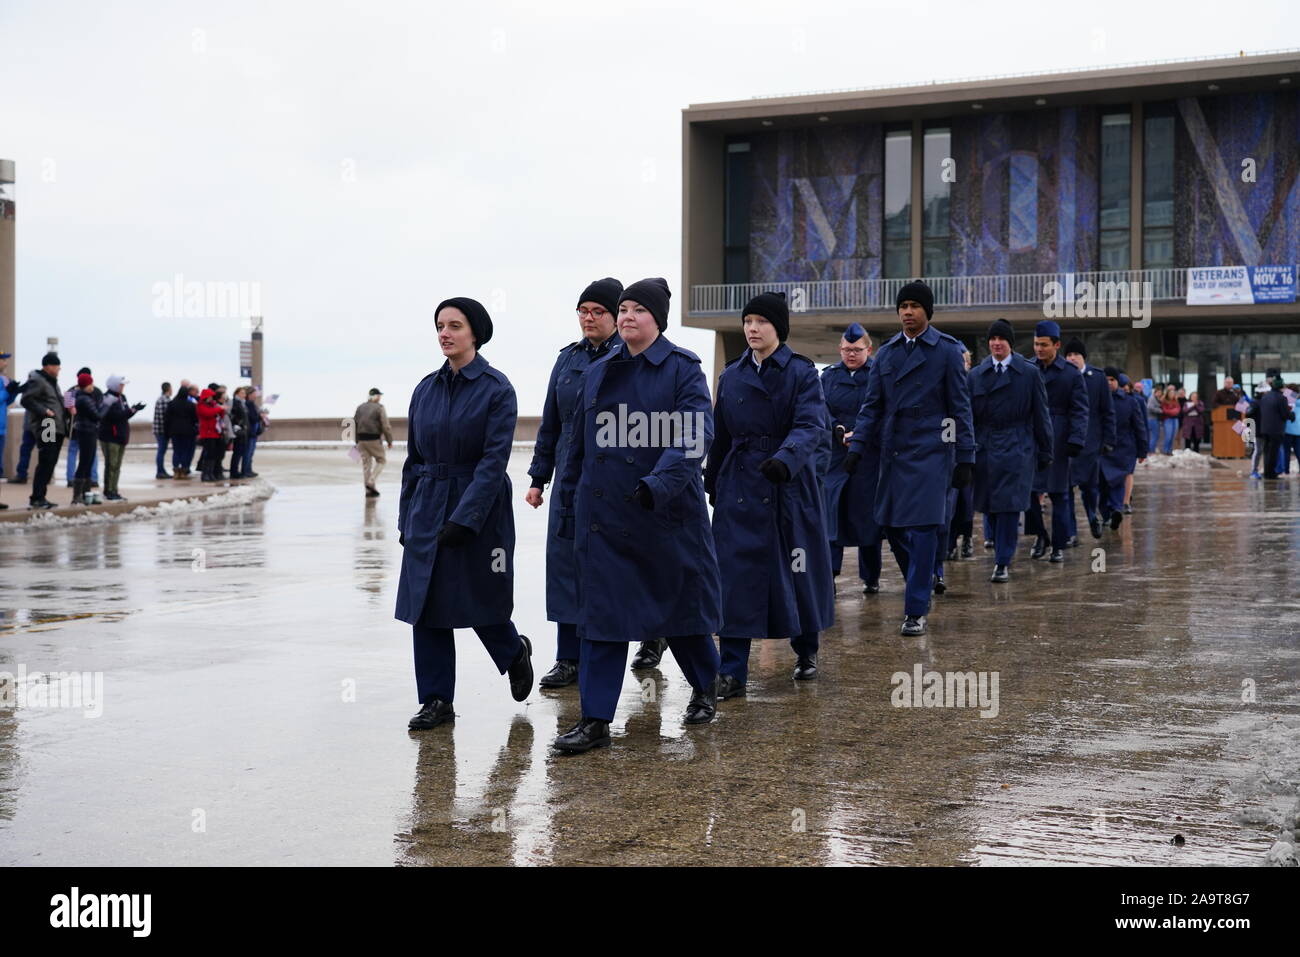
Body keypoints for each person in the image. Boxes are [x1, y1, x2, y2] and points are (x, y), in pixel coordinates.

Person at [552, 277, 722, 752]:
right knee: (601, 617)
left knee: (678, 611)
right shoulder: (599, 369)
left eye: (636, 310)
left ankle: (705, 688)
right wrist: (568, 502)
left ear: (657, 320)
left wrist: (658, 485)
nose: (626, 317)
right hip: (604, 513)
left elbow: (692, 436)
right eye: (622, 310)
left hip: (663, 512)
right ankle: (595, 718)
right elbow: (579, 447)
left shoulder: (682, 368)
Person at [396, 296, 533, 731]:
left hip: (479, 505)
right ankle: (436, 700)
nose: (445, 333)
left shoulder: (496, 389)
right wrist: (406, 518)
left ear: (475, 333)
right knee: (428, 604)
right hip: (427, 504)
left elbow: (494, 463)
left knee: (478, 597)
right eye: (440, 325)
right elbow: (412, 460)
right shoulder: (425, 388)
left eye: (455, 325)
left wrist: (466, 517)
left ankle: (513, 652)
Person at [705, 291, 833, 698]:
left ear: (778, 328)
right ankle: (732, 670)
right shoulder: (732, 375)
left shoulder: (801, 373)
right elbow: (721, 433)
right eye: (747, 321)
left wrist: (785, 459)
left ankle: (806, 648)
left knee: (798, 571)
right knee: (735, 578)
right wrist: (712, 481)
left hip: (788, 485)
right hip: (739, 484)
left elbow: (812, 426)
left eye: (761, 321)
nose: (752, 328)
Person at [844, 280, 974, 636]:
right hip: (894, 451)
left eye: (915, 306)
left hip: (932, 451)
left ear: (926, 312)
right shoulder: (886, 354)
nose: (907, 312)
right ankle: (926, 573)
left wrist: (965, 456)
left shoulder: (946, 351)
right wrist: (857, 449)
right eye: (903, 306)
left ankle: (915, 608)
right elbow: (872, 407)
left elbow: (961, 408)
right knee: (891, 525)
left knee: (924, 528)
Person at [526, 277, 623, 689]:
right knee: (565, 565)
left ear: (616, 316)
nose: (588, 318)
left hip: (612, 475)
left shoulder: (628, 357)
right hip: (568, 473)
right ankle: (568, 657)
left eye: (597, 311)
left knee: (610, 567)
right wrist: (538, 477)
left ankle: (646, 637)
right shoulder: (567, 360)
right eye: (583, 311)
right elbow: (551, 423)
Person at [968, 319, 1052, 582]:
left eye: (1001, 339)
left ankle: (1002, 561)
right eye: (992, 339)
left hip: (1017, 446)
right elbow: (967, 416)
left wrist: (1045, 450)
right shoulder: (976, 375)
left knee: (1008, 507)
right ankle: (997, 547)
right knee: (989, 506)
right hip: (984, 447)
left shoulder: (1028, 373)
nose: (996, 344)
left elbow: (1041, 415)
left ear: (1010, 344)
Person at [820, 323, 884, 594]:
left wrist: (861, 434)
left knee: (867, 521)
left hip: (867, 459)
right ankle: (830, 577)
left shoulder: (877, 375)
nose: (851, 355)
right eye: (846, 350)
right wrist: (837, 429)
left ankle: (871, 577)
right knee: (832, 516)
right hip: (836, 458)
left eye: (856, 350)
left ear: (868, 350)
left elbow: (882, 410)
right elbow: (820, 407)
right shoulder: (828, 377)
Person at [1024, 321, 1088, 563]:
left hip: (1059, 440)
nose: (1039, 349)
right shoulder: (1027, 368)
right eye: (1036, 344)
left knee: (1059, 495)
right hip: (1031, 438)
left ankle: (1059, 544)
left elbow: (1080, 410)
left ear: (1056, 345)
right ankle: (1040, 535)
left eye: (1044, 345)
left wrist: (1076, 439)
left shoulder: (1070, 374)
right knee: (1029, 494)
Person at [1062, 339, 1115, 542]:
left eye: (1076, 354)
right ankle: (1071, 532)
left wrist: (1109, 440)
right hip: (1066, 443)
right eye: (1068, 355)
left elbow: (1107, 411)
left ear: (1083, 357)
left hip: (1091, 443)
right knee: (1065, 489)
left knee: (1090, 487)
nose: (1072, 358)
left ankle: (1092, 515)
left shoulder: (1097, 377)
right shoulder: (1062, 376)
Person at [1098, 367, 1147, 530]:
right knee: (1103, 483)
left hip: (1124, 447)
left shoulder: (1130, 401)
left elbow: (1139, 426)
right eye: (1106, 380)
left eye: (1112, 379)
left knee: (1118, 480)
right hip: (1102, 448)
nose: (1109, 383)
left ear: (1118, 382)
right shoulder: (1095, 400)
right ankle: (1107, 514)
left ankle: (1116, 509)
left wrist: (1142, 450)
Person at [20, 352, 67, 509]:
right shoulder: (38, 380)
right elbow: (26, 399)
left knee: (51, 461)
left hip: (56, 426)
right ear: (48, 366)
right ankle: (37, 497)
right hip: (47, 424)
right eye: (57, 365)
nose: (59, 368)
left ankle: (41, 496)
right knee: (46, 460)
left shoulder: (51, 381)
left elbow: (56, 402)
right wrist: (44, 411)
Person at [98, 374, 145, 501]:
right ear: (114, 385)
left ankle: (114, 490)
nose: (123, 387)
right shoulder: (107, 398)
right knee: (111, 464)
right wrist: (132, 410)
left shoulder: (122, 397)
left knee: (117, 466)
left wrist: (134, 410)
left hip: (121, 435)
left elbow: (125, 415)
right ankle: (109, 491)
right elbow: (115, 416)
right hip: (110, 436)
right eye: (121, 384)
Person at [351, 387, 393, 496]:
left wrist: (357, 441)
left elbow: (354, 425)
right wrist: (389, 441)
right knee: (382, 460)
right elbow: (386, 426)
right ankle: (371, 481)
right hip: (373, 439)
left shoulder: (359, 408)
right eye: (379, 396)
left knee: (366, 465)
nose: (380, 398)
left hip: (361, 440)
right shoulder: (379, 408)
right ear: (375, 397)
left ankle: (369, 491)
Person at [64, 366, 101, 489]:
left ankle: (70, 478)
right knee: (92, 454)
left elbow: (67, 410)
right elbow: (99, 409)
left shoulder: (70, 391)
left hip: (74, 427)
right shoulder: (97, 391)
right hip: (90, 428)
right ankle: (93, 478)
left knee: (72, 452)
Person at [1258, 376, 1295, 480]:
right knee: (1273, 452)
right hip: (1276, 429)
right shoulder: (1281, 398)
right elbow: (1285, 414)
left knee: (1267, 452)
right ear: (1281, 386)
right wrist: (1291, 415)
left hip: (1265, 428)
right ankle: (1271, 474)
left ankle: (1267, 472)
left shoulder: (1265, 397)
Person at [0, 350, 21, 496]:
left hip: (1, 428)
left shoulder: (2, 379)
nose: (6, 363)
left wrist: (14, 392)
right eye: (3, 359)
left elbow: (6, 401)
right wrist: (8, 392)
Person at [166, 383, 198, 478]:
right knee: (185, 451)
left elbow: (167, 418)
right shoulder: (190, 405)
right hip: (187, 431)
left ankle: (176, 470)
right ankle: (184, 470)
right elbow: (195, 419)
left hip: (175, 431)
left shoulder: (172, 404)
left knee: (176, 451)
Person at [196, 388, 223, 481]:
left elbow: (221, 414)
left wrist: (220, 408)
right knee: (208, 454)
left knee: (213, 454)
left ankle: (211, 473)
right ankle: (205, 474)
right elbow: (207, 413)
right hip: (207, 433)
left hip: (215, 432)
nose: (212, 398)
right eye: (210, 397)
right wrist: (219, 408)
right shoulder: (201, 406)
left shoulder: (213, 405)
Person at [229, 386, 250, 479]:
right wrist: (237, 425)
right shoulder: (235, 402)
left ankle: (236, 471)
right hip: (238, 430)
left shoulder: (243, 403)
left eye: (244, 393)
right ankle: (234, 472)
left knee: (241, 452)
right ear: (237, 393)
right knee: (237, 452)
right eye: (242, 393)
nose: (244, 395)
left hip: (243, 430)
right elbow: (233, 415)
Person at [153, 382, 173, 478]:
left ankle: (161, 470)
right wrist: (168, 430)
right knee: (161, 451)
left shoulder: (161, 399)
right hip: (161, 431)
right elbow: (163, 417)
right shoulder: (164, 400)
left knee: (161, 451)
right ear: (168, 389)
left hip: (159, 430)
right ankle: (160, 471)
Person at [242, 387, 263, 478]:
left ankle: (248, 470)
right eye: (254, 393)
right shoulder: (249, 404)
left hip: (253, 432)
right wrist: (260, 416)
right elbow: (253, 418)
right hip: (250, 432)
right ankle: (246, 470)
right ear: (249, 395)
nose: (256, 395)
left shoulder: (252, 404)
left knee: (250, 452)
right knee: (248, 452)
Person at [1279, 385, 1300, 474]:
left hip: (1287, 430)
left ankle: (1286, 471)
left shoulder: (1287, 401)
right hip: (1298, 431)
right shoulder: (1297, 401)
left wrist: (1284, 390)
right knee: (1299, 452)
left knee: (1286, 452)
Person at [1159, 385, 1181, 454]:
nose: (1172, 395)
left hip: (1175, 420)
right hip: (1168, 420)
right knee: (1168, 436)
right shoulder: (1164, 401)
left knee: (1173, 436)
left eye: (1173, 393)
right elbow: (1165, 410)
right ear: (1168, 394)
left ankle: (1170, 451)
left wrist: (1172, 411)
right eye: (1170, 393)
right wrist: (1172, 411)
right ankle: (1165, 450)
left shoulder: (1176, 401)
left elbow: (1178, 409)